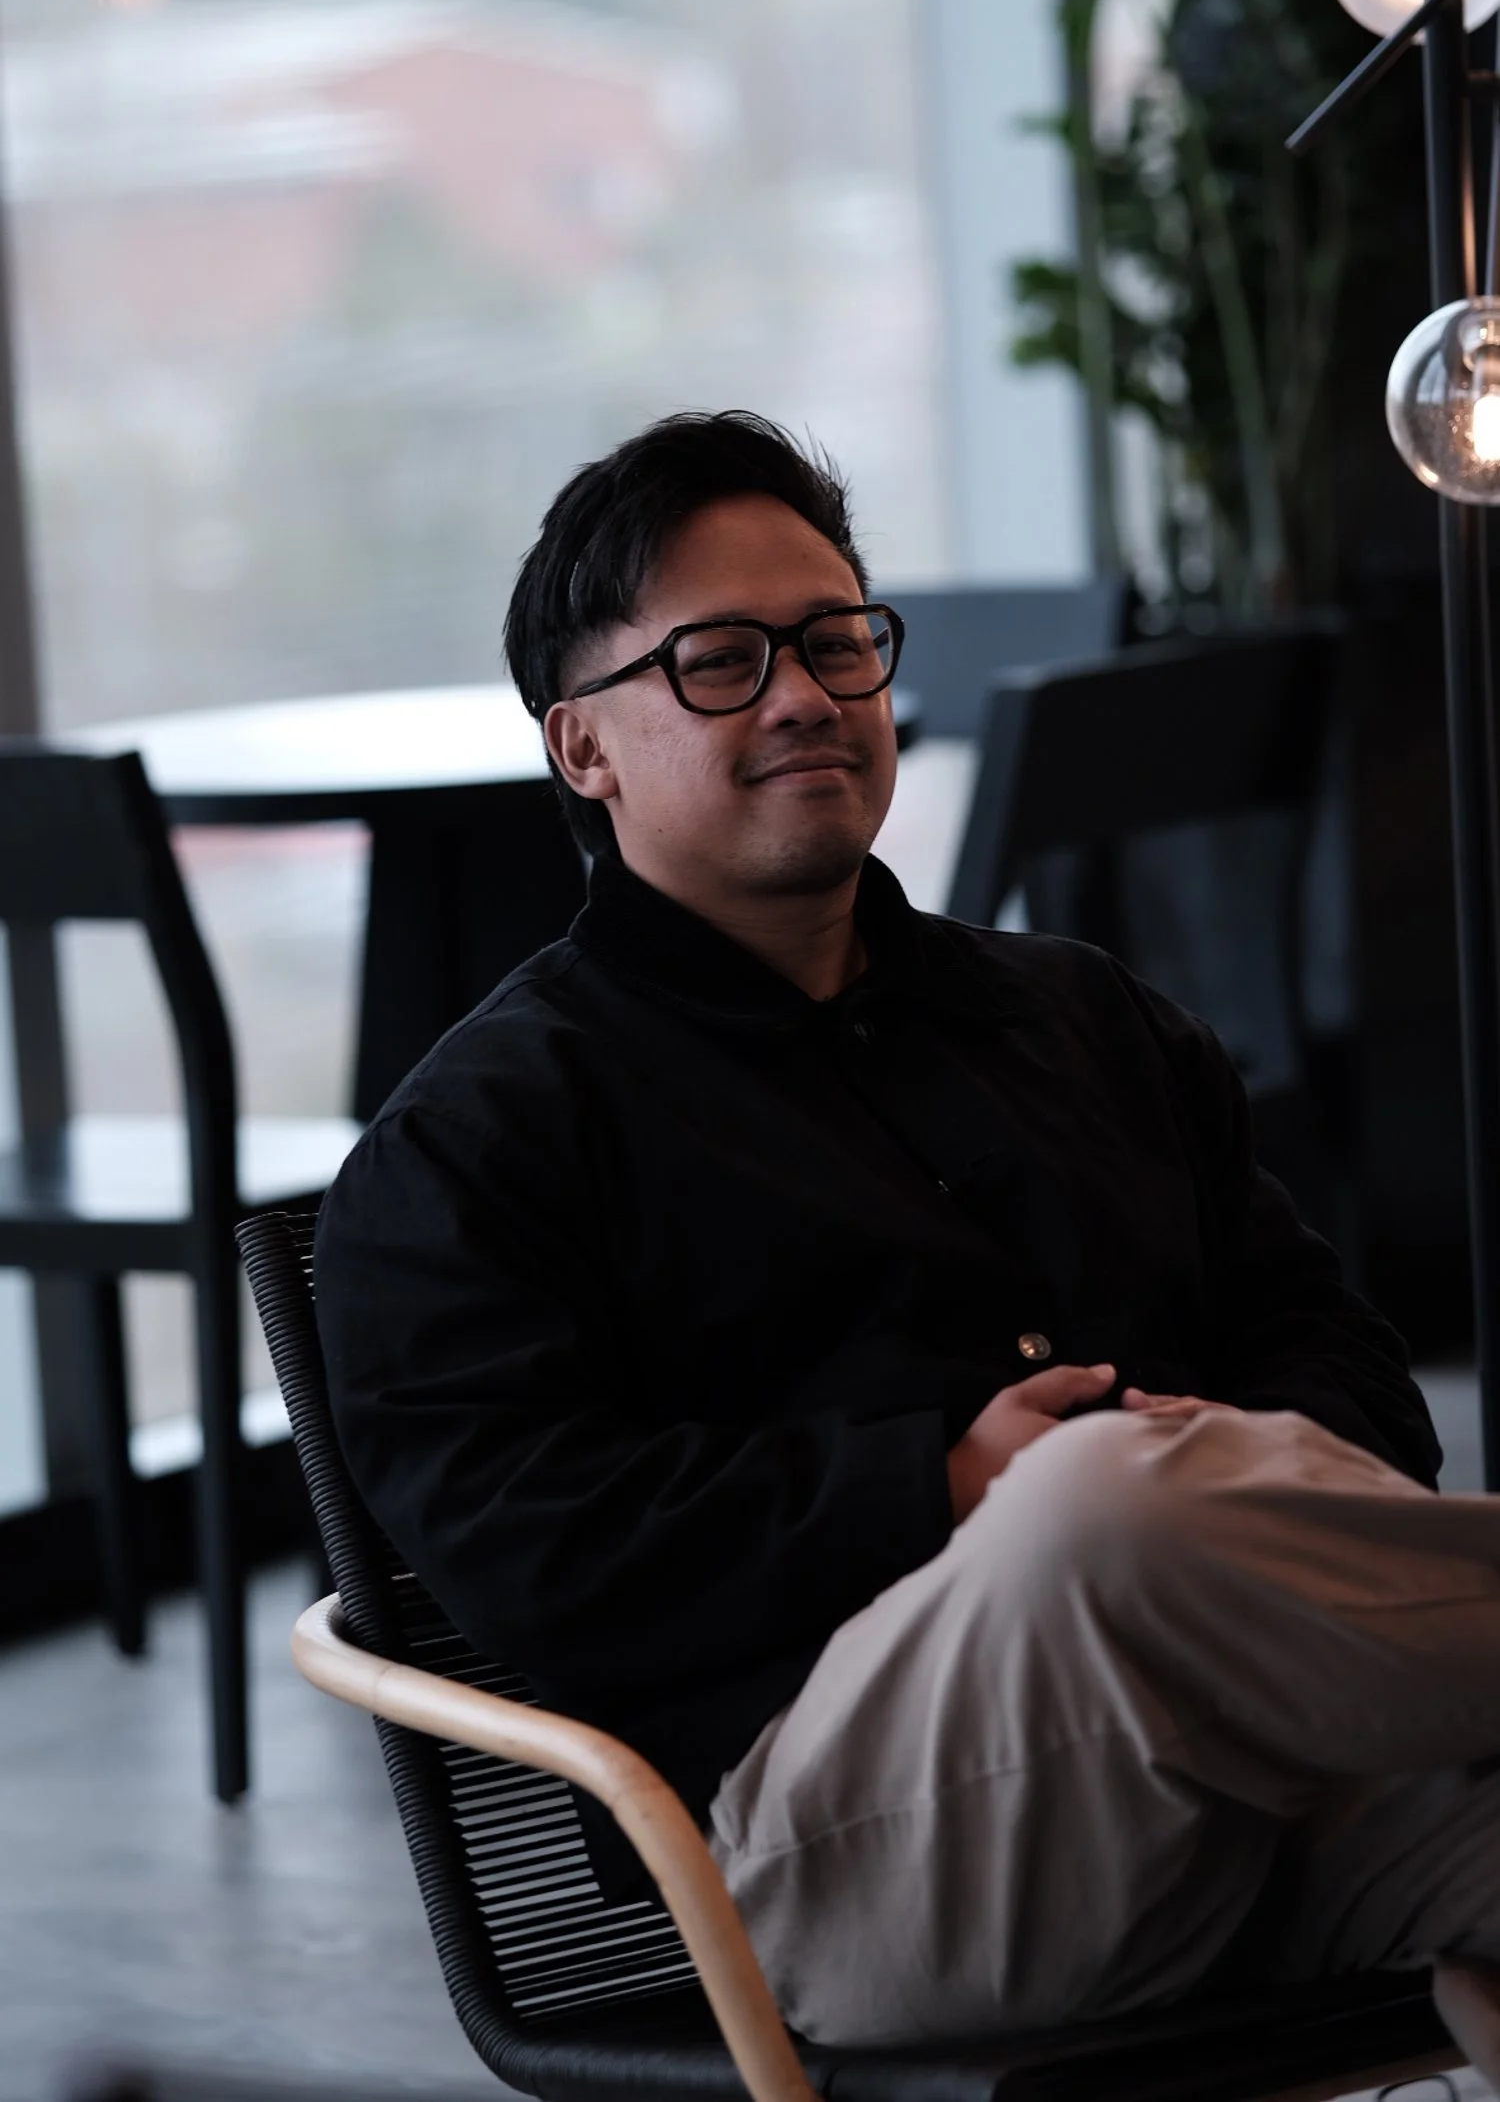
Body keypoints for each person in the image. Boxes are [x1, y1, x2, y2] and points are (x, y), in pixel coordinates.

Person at [315, 410, 1500, 2072]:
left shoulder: (1088, 1018)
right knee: (1090, 1502)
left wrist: (1223, 1466)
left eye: (835, 641)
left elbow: (1346, 1361)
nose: (804, 692)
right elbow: (536, 1549)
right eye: (719, 661)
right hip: (847, 1864)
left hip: (1257, 1768)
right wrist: (947, 1487)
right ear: (581, 749)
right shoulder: (478, 1143)